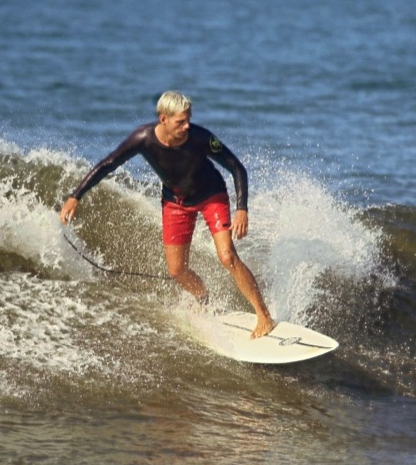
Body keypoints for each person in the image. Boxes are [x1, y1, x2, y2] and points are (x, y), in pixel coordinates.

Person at [59, 92, 276, 339]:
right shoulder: (143, 139)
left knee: (227, 257)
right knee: (177, 270)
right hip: (176, 203)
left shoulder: (201, 138)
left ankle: (264, 316)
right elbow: (108, 164)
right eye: (180, 122)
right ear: (163, 119)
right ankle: (205, 300)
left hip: (211, 196)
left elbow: (237, 168)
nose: (187, 126)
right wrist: (76, 196)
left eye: (189, 119)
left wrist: (242, 209)